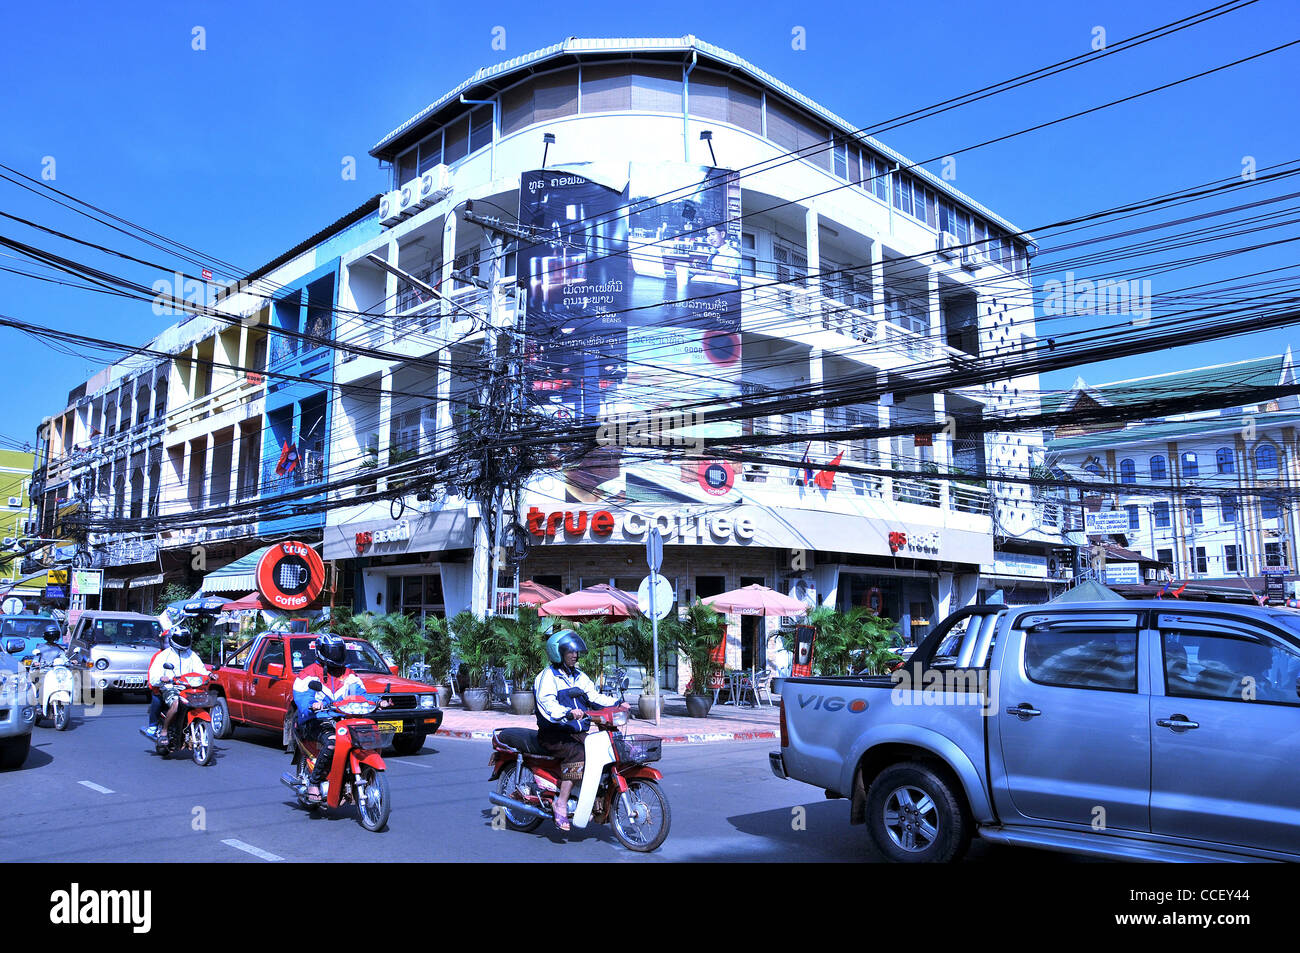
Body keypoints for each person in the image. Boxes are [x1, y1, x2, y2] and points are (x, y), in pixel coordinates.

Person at [533, 630, 625, 830]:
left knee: (603, 753)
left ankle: (591, 798)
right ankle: (561, 803)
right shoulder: (547, 677)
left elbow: (595, 697)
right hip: (554, 734)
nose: (574, 655)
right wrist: (566, 713)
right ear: (558, 653)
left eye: (576, 652)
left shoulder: (579, 676)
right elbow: (547, 705)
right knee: (579, 754)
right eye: (569, 651)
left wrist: (617, 703)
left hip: (576, 732)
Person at [291, 633, 385, 804]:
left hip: (344, 720)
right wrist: (312, 705)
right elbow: (303, 698)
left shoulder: (349, 674)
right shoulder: (308, 674)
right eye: (332, 651)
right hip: (316, 720)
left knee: (369, 736)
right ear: (321, 651)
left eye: (338, 651)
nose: (336, 655)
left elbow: (362, 694)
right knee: (332, 742)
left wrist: (378, 702)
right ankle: (314, 782)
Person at [147, 625, 208, 746]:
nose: (183, 641)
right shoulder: (163, 656)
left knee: (206, 701)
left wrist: (209, 675)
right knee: (176, 703)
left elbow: (201, 670)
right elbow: (153, 676)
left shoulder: (192, 655)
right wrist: (162, 678)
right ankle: (164, 731)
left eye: (185, 638)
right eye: (181, 639)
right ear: (173, 639)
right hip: (171, 689)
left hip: (190, 689)